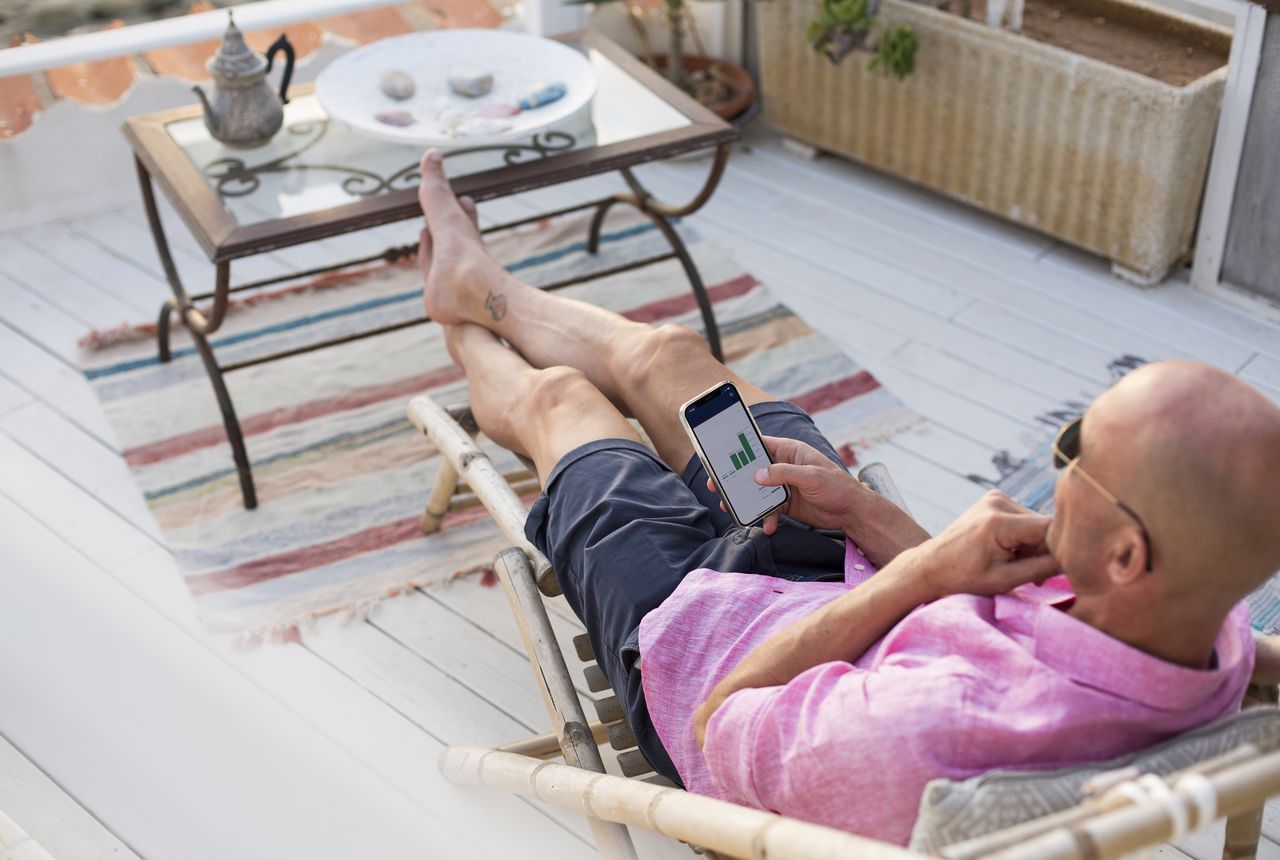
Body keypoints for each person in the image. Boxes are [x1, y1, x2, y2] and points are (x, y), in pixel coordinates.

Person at [414, 149, 1280, 844]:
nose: (1058, 474)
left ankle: (457, 321)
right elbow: (988, 624)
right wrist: (874, 521)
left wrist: (918, 574)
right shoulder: (1206, 632)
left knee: (564, 399)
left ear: (1129, 554)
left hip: (698, 649)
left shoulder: (916, 740)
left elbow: (722, 721)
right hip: (843, 566)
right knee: (670, 358)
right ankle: (478, 283)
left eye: (1077, 457)